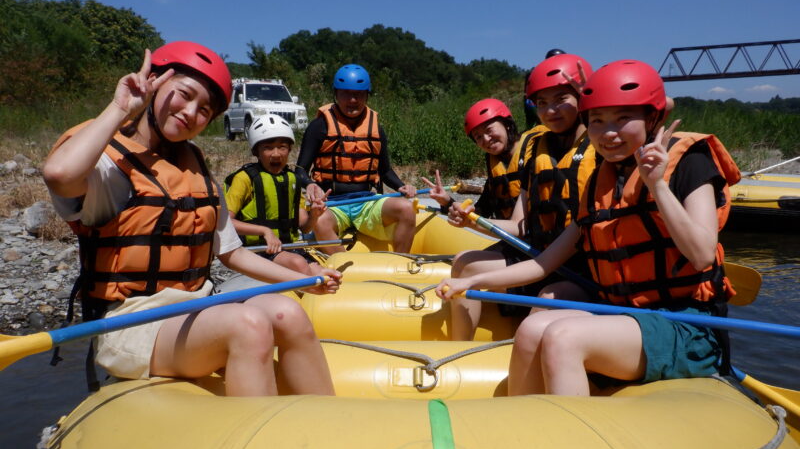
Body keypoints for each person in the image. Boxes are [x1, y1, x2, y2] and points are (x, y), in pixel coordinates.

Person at [43, 41, 341, 397]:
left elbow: (232, 253)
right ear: (153, 82)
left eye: (204, 110)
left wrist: (303, 281)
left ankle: (325, 426)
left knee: (287, 313)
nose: (190, 112)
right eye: (183, 95)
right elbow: (60, 174)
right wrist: (121, 108)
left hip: (196, 307)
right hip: (130, 323)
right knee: (248, 324)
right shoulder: (109, 166)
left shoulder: (194, 169)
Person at [436, 59, 740, 396]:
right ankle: (519, 427)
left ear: (652, 117)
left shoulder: (690, 163)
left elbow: (700, 255)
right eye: (597, 120)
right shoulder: (599, 182)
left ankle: (572, 445)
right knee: (532, 329)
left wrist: (658, 187)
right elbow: (543, 263)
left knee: (562, 338)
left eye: (623, 119)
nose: (608, 133)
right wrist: (474, 280)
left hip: (690, 324)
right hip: (624, 313)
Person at [433, 54, 597, 341]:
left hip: (581, 268)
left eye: (561, 99)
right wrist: (466, 218)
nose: (551, 110)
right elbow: (521, 226)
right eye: (542, 103)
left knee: (544, 300)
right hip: (542, 253)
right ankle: (459, 350)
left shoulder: (603, 150)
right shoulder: (537, 153)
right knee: (464, 262)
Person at [294, 64, 417, 254]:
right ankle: (345, 271)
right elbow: (300, 170)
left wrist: (401, 186)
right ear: (336, 94)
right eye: (346, 94)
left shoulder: (376, 128)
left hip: (367, 202)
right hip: (332, 204)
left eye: (359, 94)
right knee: (319, 219)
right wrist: (309, 184)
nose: (353, 100)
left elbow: (384, 170)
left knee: (406, 209)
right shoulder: (319, 126)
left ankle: (400, 264)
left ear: (367, 95)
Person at [224, 113, 325, 275]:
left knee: (323, 272)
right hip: (256, 250)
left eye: (282, 147)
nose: (276, 154)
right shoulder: (244, 179)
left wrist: (314, 214)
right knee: (298, 264)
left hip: (286, 248)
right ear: (256, 151)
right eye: (268, 148)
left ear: (290, 149)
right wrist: (264, 231)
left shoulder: (292, 179)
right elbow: (226, 223)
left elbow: (305, 228)